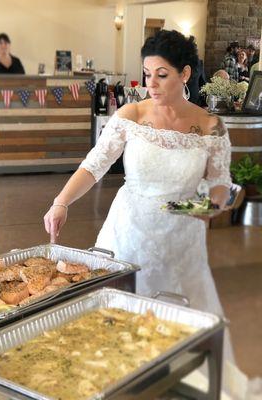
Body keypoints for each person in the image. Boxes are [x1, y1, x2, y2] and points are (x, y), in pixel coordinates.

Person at [44, 29, 261, 399]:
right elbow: (94, 166)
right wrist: (61, 202)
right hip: (128, 235)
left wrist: (212, 204)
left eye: (162, 74)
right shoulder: (131, 114)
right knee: (117, 331)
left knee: (180, 337)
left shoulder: (211, 126)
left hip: (181, 241)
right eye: (147, 74)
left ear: (186, 74)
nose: (152, 84)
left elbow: (220, 183)